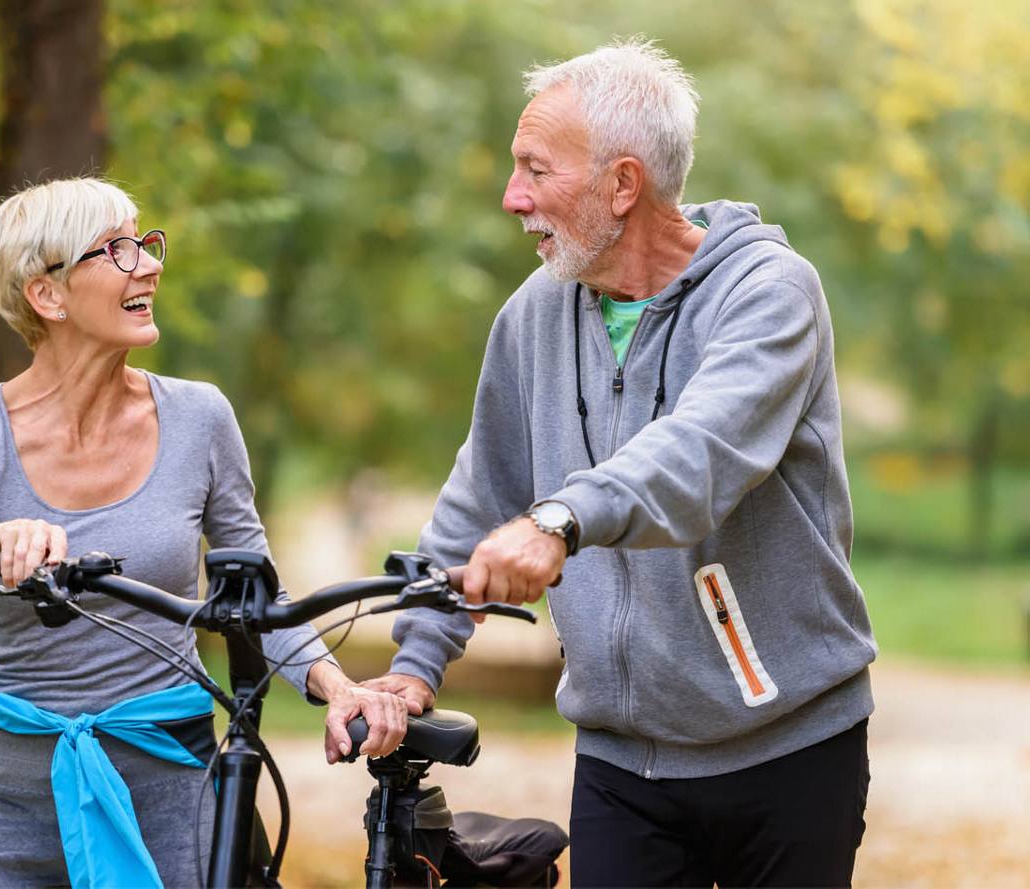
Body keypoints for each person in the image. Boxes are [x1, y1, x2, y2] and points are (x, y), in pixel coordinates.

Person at [366, 39, 877, 887]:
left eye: (535, 169)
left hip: (789, 745)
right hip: (623, 762)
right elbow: (480, 495)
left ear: (623, 184)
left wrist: (558, 520)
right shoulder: (533, 315)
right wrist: (415, 663)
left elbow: (700, 454)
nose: (511, 197)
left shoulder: (769, 294)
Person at [0, 177, 414, 888]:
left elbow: (256, 594)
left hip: (167, 793)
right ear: (48, 294)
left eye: (145, 242)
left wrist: (335, 683)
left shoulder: (200, 419)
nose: (150, 264)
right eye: (117, 250)